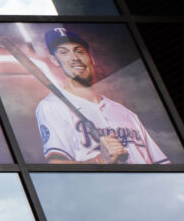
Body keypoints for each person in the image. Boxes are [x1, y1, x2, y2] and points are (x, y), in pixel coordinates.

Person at [36, 26, 168, 164]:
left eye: (79, 51)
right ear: (54, 60)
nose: (75, 58)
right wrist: (100, 161)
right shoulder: (52, 106)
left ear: (91, 58)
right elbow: (57, 164)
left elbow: (163, 164)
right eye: (64, 52)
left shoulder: (126, 113)